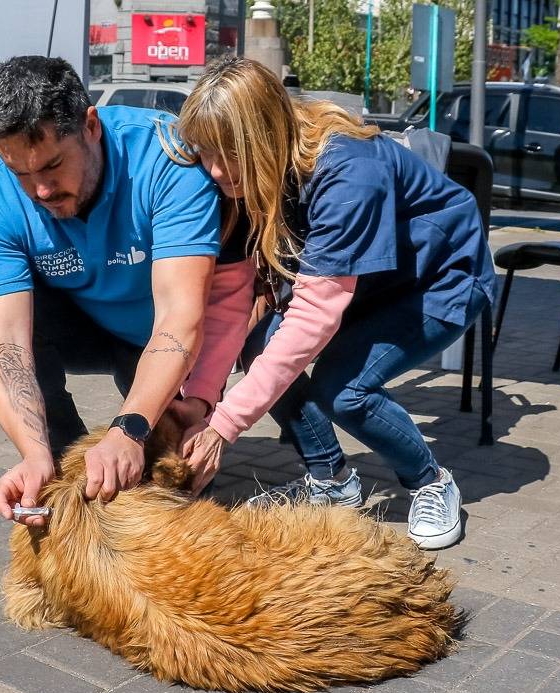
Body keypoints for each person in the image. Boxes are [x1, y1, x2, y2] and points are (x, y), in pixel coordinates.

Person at [171, 57, 496, 550]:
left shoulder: (347, 173)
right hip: (369, 280)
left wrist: (223, 424)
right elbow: (243, 304)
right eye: (205, 153)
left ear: (265, 132)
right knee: (260, 346)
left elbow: (314, 318)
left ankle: (430, 482)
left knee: (343, 389)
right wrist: (197, 398)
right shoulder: (262, 162)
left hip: (441, 280)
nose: (216, 172)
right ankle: (332, 482)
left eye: (229, 153)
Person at [0, 56, 252, 527]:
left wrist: (131, 429)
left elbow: (181, 314)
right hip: (85, 325)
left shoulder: (167, 158)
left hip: (158, 333)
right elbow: (4, 346)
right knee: (2, 329)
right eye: (20, 172)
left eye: (54, 165)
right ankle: (62, 470)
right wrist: (33, 454)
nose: (41, 190)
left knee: (176, 480)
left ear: (90, 126)